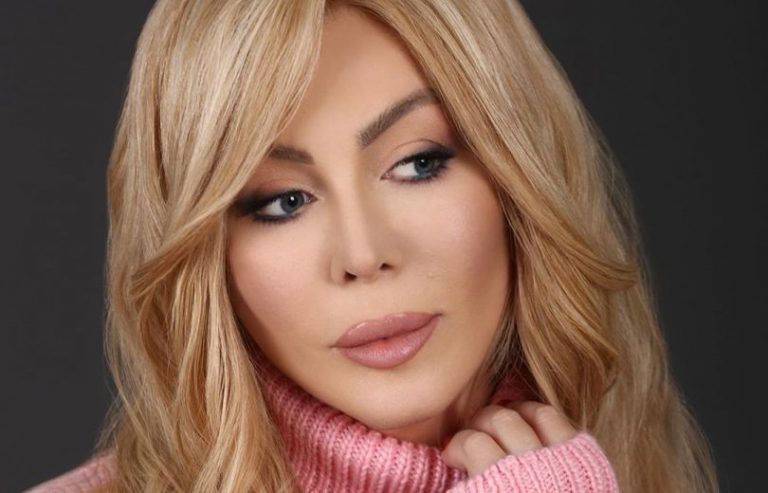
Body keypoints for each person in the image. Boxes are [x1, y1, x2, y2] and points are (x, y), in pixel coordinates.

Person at [26, 0, 719, 492]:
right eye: (282, 202)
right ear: (210, 256)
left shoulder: (635, 464)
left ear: (519, 176)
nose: (362, 254)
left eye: (417, 163)